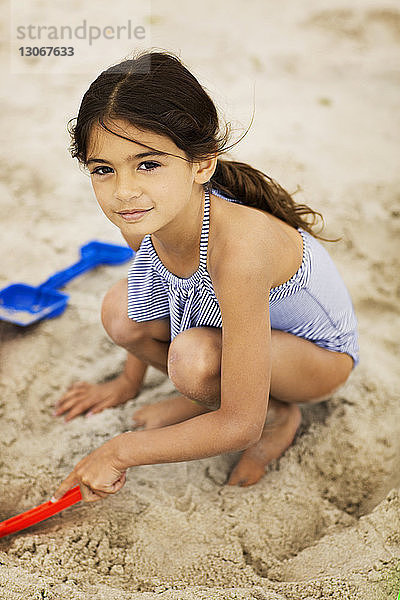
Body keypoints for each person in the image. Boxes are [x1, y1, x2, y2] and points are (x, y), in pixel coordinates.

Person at [51, 49, 359, 503]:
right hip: (232, 322)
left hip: (315, 357)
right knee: (119, 311)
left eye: (148, 163)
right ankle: (209, 394)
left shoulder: (238, 252)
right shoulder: (143, 215)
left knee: (193, 362)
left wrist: (120, 451)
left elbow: (239, 427)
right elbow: (148, 289)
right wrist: (126, 382)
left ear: (201, 164)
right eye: (103, 170)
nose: (124, 190)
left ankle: (278, 417)